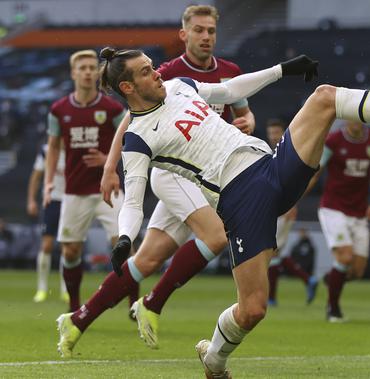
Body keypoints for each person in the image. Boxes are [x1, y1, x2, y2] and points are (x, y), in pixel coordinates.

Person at [84, 40, 370, 377]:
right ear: (128, 88)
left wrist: (283, 69)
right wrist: (125, 239)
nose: (157, 72)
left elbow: (230, 89)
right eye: (147, 71)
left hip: (269, 165)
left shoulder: (180, 85)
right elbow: (133, 199)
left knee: (323, 98)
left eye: (153, 65)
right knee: (253, 309)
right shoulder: (137, 138)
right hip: (241, 202)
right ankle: (214, 358)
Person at [56, 5, 256, 357]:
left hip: (202, 173)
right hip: (173, 174)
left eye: (211, 30)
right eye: (199, 30)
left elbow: (242, 109)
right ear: (185, 34)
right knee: (215, 235)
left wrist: (247, 123)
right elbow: (132, 121)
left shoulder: (230, 72)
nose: (206, 36)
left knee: (145, 261)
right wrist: (110, 167)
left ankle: (78, 319)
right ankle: (153, 301)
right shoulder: (166, 73)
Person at [44, 49, 129, 314]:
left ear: (98, 72)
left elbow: (132, 138)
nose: (88, 72)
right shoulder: (59, 110)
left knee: (123, 245)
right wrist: (48, 183)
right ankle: (73, 307)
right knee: (70, 252)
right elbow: (54, 147)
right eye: (82, 68)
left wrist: (108, 159)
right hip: (75, 190)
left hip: (108, 188)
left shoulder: (113, 108)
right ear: (73, 73)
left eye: (93, 67)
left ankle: (133, 304)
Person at [307, 120, 370, 322]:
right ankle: (333, 310)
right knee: (345, 257)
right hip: (333, 208)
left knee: (357, 270)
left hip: (359, 212)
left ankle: (332, 279)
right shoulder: (333, 141)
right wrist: (293, 199)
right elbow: (316, 172)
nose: (354, 121)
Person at [265, 119, 318, 307]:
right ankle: (306, 280)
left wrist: (293, 204)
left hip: (283, 209)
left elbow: (300, 180)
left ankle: (271, 297)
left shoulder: (290, 153)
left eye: (276, 132)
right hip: (272, 207)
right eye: (270, 133)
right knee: (277, 253)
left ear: (284, 132)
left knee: (272, 252)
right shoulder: (269, 152)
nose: (273, 136)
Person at [27, 143, 68, 302]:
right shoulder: (46, 150)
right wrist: (31, 200)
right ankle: (42, 288)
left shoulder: (75, 148)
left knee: (68, 247)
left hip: (71, 201)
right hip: (51, 201)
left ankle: (65, 289)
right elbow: (36, 176)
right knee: (47, 245)